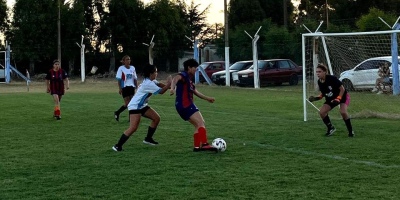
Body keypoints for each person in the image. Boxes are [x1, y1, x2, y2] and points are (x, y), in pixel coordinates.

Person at [112, 64, 172, 152]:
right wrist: (169, 83)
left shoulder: (151, 81)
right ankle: (117, 146)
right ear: (151, 74)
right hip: (135, 106)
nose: (157, 73)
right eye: (155, 72)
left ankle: (148, 139)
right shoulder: (148, 84)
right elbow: (162, 91)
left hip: (142, 106)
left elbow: (161, 85)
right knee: (133, 128)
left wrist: (172, 85)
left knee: (156, 118)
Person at [170, 58, 218, 152]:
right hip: (186, 104)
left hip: (181, 106)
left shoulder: (189, 80)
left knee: (197, 125)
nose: (196, 69)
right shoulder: (184, 75)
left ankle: (197, 147)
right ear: (189, 68)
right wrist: (172, 88)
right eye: (195, 67)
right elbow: (175, 78)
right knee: (201, 123)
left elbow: (195, 92)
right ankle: (204, 144)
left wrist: (207, 98)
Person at [308, 63, 354, 137]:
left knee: (343, 112)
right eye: (317, 72)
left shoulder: (332, 78)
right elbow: (323, 94)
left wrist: (338, 98)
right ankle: (330, 128)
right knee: (322, 112)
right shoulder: (320, 82)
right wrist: (315, 98)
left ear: (325, 72)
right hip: (331, 99)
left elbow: (342, 89)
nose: (317, 73)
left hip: (343, 96)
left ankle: (350, 131)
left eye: (319, 72)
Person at [114, 55, 138, 121]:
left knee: (132, 103)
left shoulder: (132, 68)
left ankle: (130, 119)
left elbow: (135, 78)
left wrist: (136, 86)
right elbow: (119, 79)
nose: (128, 61)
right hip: (124, 87)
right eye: (127, 59)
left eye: (129, 59)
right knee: (128, 104)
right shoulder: (121, 68)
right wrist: (120, 88)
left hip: (131, 87)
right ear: (124, 61)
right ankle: (117, 112)